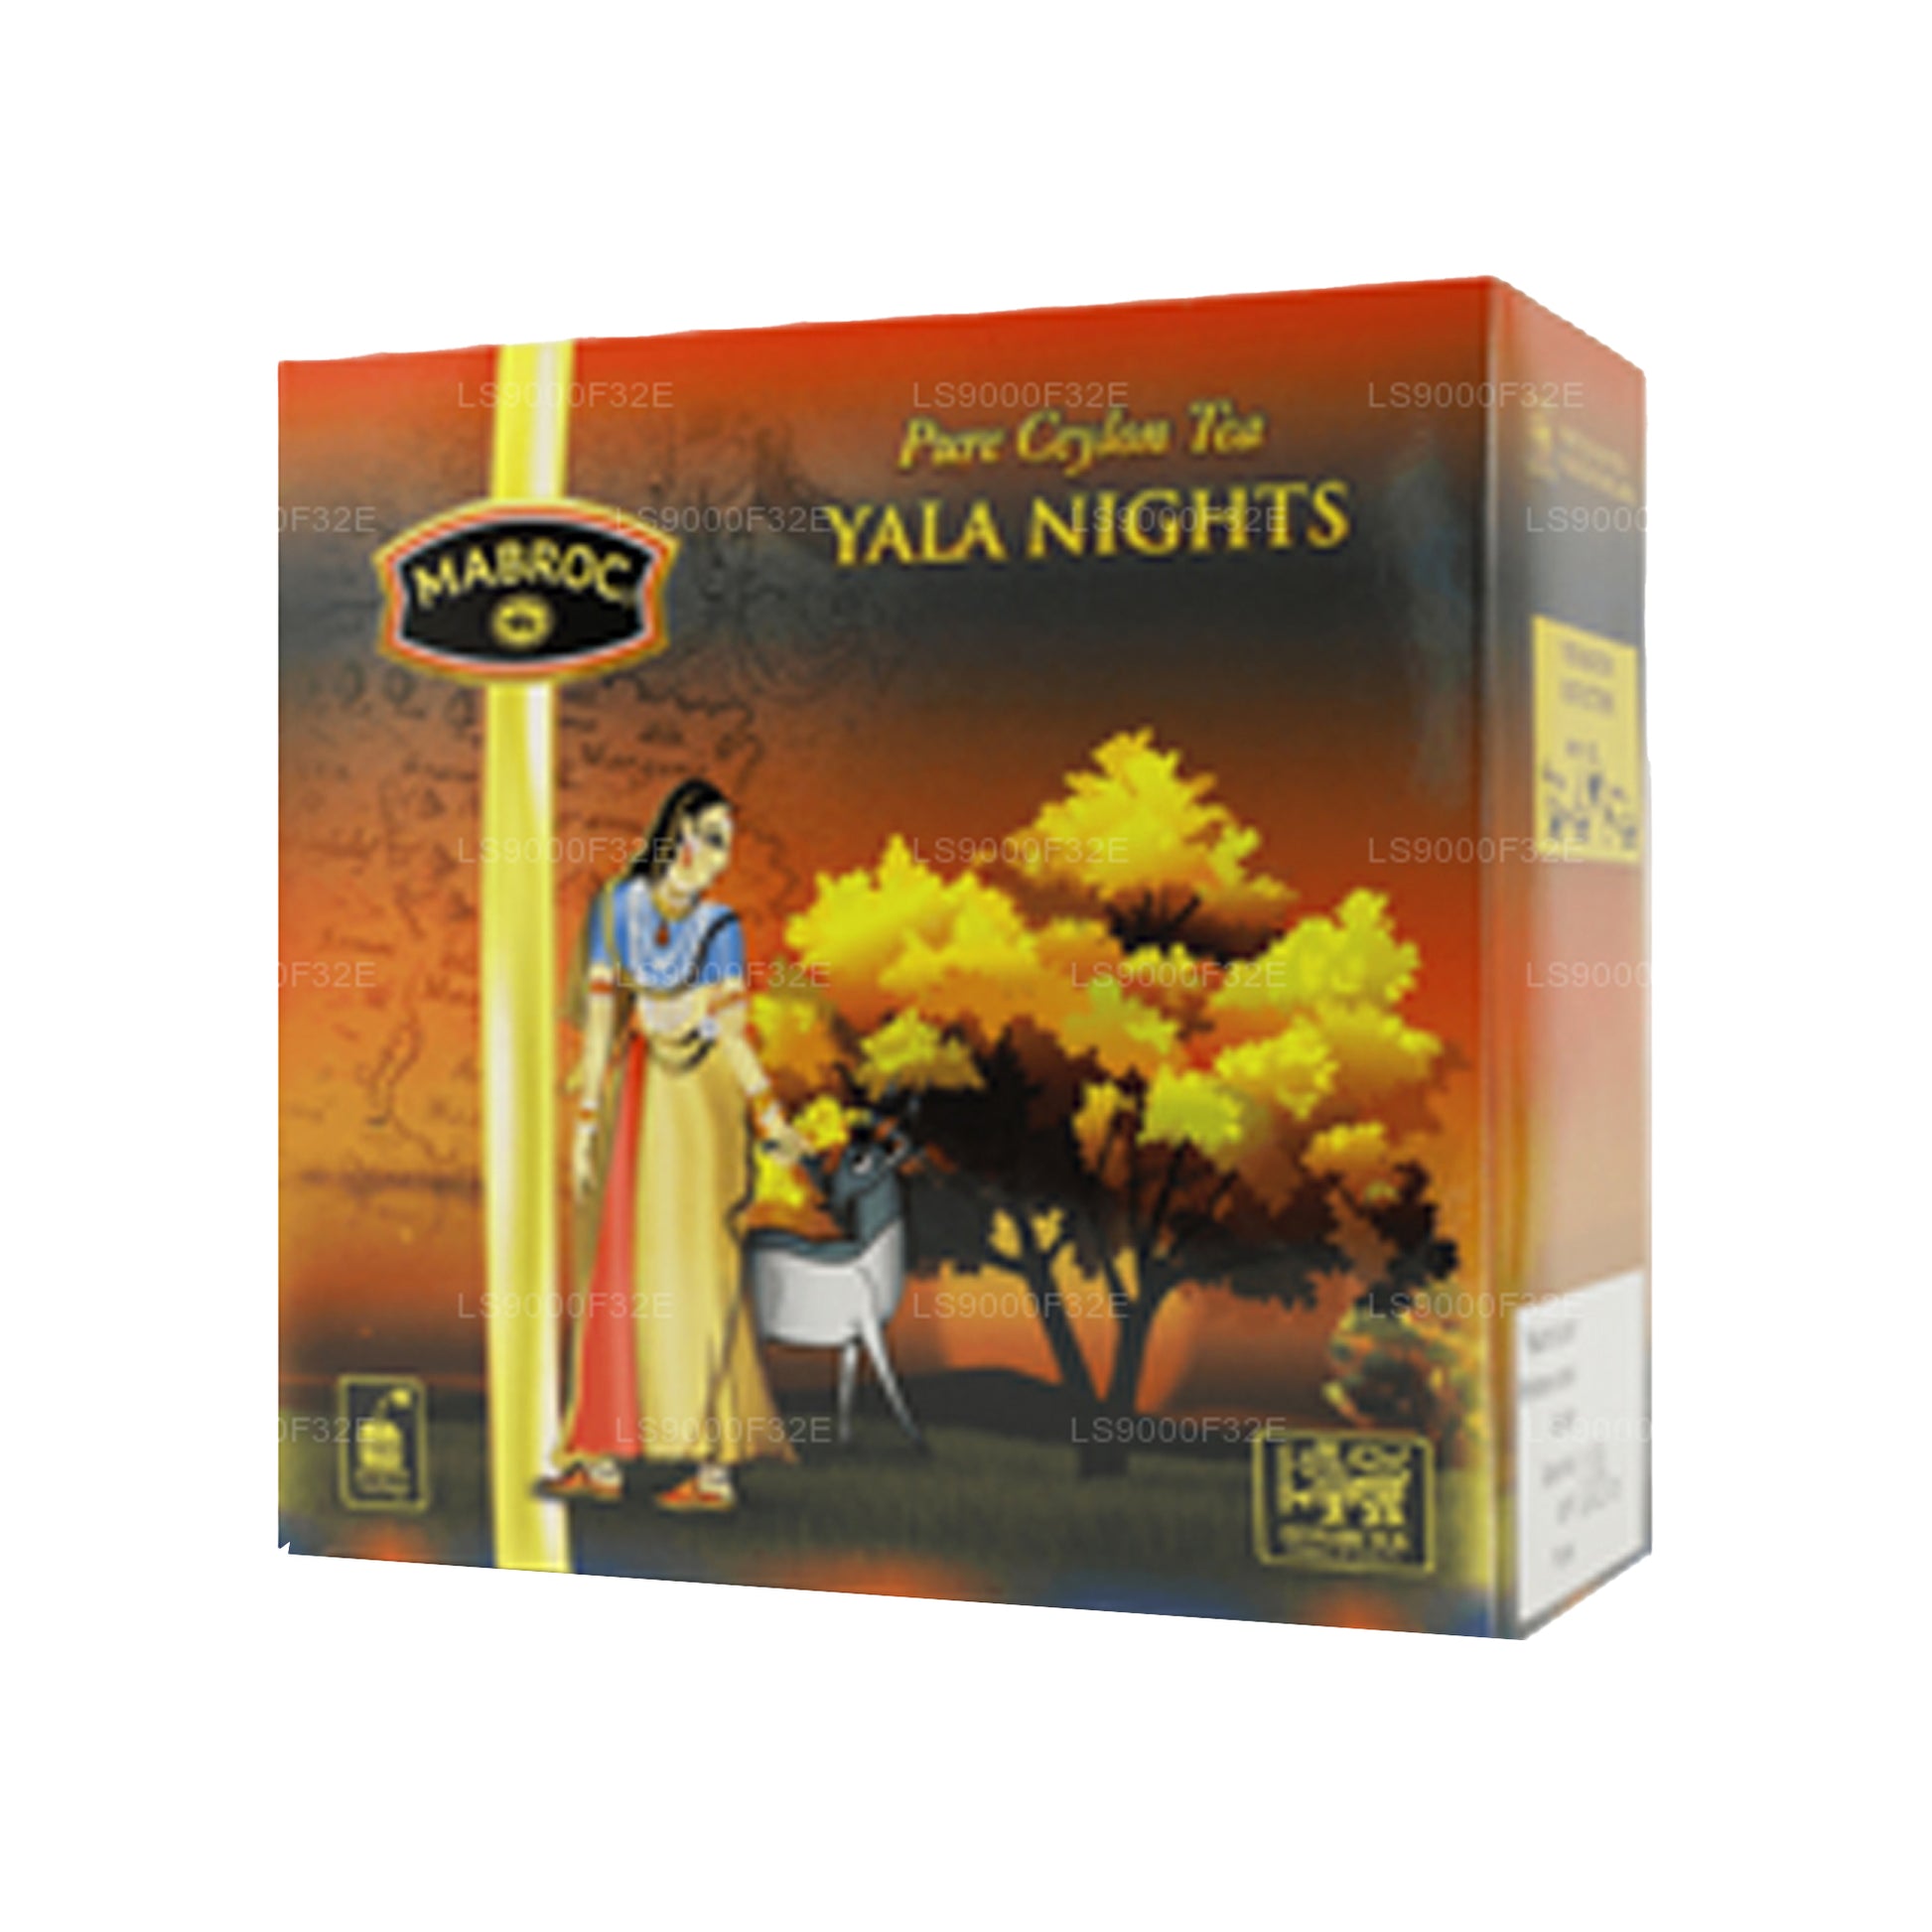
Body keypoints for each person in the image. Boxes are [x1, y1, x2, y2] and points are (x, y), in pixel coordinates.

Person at [542, 778, 806, 1512]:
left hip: (704, 1104)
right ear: (678, 831)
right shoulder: (616, 908)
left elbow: (733, 1036)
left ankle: (713, 1471)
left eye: (727, 846)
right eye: (711, 838)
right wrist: (585, 1123)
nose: (719, 859)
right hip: (637, 1097)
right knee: (618, 1266)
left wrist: (769, 1116)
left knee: (701, 1272)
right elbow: (602, 1023)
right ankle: (599, 1458)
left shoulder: (721, 928)